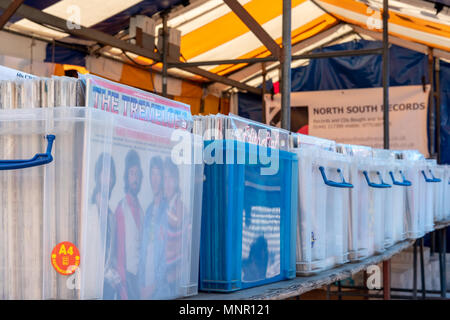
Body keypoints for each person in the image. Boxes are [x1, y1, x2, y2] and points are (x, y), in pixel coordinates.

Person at [87, 153, 119, 299]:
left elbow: (111, 253)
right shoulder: (89, 211)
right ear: (97, 175)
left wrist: (112, 275)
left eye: (111, 175)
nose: (108, 179)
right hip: (90, 281)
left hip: (107, 284)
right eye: (105, 173)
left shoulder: (111, 216)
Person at [115, 149, 144, 300]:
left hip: (139, 277)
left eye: (138, 174)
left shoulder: (141, 209)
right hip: (127, 277)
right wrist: (123, 285)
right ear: (126, 177)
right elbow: (119, 249)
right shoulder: (121, 209)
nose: (135, 178)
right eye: (132, 174)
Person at [138, 156, 168, 299]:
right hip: (146, 282)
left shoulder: (169, 209)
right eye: (152, 173)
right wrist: (141, 283)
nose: (154, 179)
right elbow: (145, 249)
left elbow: (169, 253)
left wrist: (155, 285)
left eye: (158, 173)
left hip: (160, 287)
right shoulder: (149, 210)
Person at [162, 157, 185, 298]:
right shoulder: (165, 205)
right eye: (165, 178)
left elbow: (178, 224)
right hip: (164, 277)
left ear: (176, 181)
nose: (167, 183)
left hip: (173, 278)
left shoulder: (179, 207)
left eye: (171, 178)